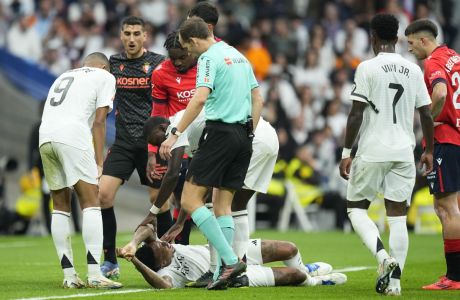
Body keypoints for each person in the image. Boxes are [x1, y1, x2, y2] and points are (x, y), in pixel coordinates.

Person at [156, 17, 263, 290]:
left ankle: (229, 261)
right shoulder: (238, 56)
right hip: (243, 136)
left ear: (192, 40)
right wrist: (249, 131)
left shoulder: (208, 58)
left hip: (219, 134)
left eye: (184, 46)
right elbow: (258, 98)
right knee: (222, 206)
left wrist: (176, 132)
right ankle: (220, 273)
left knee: (190, 201)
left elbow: (200, 98)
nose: (186, 52)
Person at [339, 14, 434, 296]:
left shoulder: (366, 68)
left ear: (373, 38)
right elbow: (426, 114)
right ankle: (395, 285)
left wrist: (346, 151)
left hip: (372, 150)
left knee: (356, 209)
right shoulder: (414, 70)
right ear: (397, 38)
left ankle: (383, 258)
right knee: (397, 217)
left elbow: (356, 114)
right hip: (404, 151)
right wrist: (429, 149)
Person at [38, 52, 122, 289]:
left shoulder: (64, 75)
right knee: (91, 201)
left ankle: (69, 275)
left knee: (60, 204)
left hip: (45, 136)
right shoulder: (105, 77)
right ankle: (95, 273)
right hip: (72, 136)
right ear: (104, 67)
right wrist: (99, 161)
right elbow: (99, 121)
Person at [98, 16, 165, 280]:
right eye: (127, 33)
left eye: (137, 33)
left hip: (152, 145)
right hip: (124, 143)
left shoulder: (159, 64)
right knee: (103, 195)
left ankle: (171, 254)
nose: (132, 38)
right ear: (121, 35)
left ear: (145, 36)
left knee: (159, 201)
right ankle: (110, 260)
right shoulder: (113, 64)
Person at [116, 224, 347, 289]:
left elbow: (147, 228)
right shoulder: (168, 273)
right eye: (162, 248)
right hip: (234, 274)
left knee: (290, 248)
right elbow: (163, 287)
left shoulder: (161, 246)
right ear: (160, 262)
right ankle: (313, 280)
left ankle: (308, 269)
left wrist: (133, 245)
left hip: (228, 250)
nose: (166, 243)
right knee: (295, 276)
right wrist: (135, 262)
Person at [405, 19, 460, 290]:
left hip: (445, 139)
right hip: (458, 138)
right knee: (455, 208)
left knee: (446, 209)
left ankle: (454, 277)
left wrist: (429, 121)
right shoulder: (454, 57)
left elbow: (439, 92)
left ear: (424, 40)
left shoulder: (434, 62)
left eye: (411, 43)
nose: (410, 48)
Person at [143, 31, 199, 245]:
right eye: (172, 57)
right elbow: (157, 115)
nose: (177, 62)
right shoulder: (160, 74)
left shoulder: (206, 68)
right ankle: (176, 249)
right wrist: (152, 153)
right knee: (179, 196)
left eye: (182, 57)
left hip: (205, 140)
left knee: (196, 199)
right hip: (177, 141)